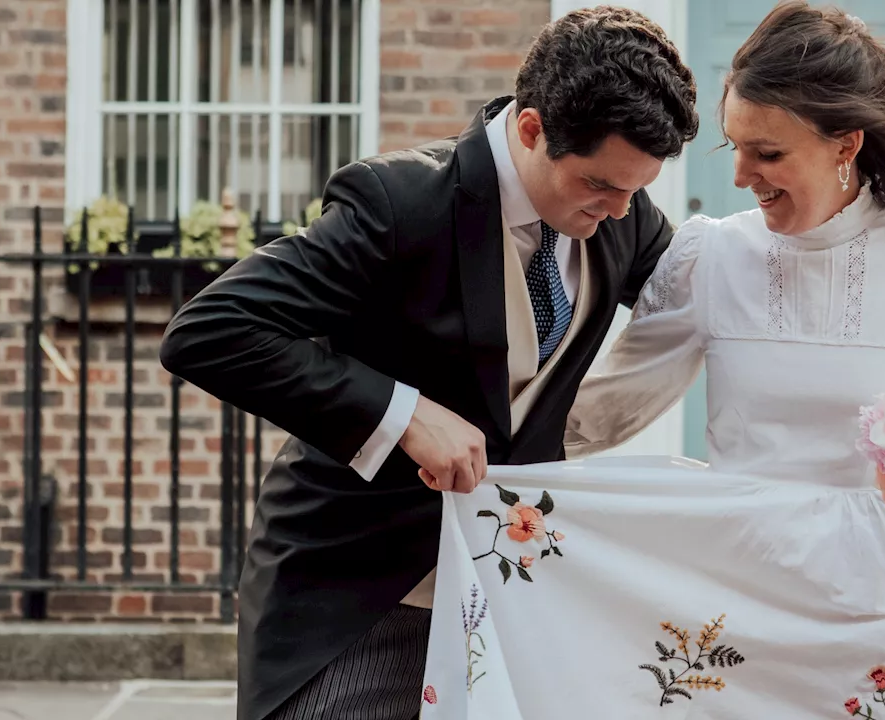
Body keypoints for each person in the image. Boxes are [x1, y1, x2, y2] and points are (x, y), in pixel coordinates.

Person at [157, 7, 699, 720]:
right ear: (533, 129)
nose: (623, 208)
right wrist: (404, 415)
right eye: (601, 184)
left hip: (509, 598)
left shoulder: (619, 214)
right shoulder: (400, 201)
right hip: (357, 594)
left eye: (638, 188)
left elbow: (704, 300)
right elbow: (211, 330)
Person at [564, 3, 885, 717]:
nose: (742, 176)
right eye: (736, 148)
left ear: (845, 145)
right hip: (744, 612)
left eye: (770, 153)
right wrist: (466, 442)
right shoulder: (710, 257)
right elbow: (601, 413)